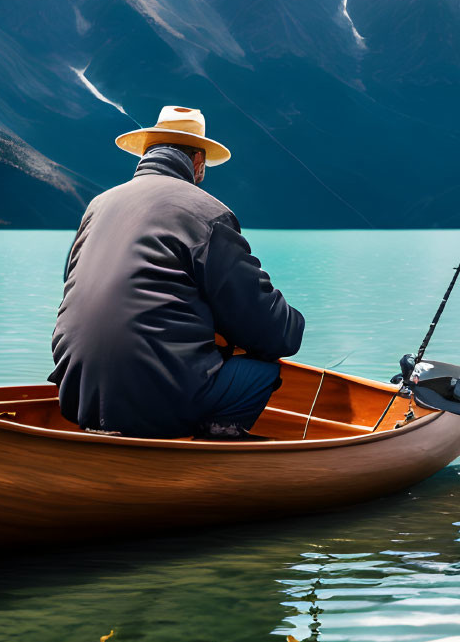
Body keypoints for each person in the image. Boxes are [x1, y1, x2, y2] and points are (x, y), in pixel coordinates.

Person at [50, 106, 305, 441]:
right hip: (160, 403)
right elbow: (275, 332)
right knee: (261, 371)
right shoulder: (207, 212)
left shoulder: (97, 206)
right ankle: (205, 458)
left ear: (147, 154)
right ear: (197, 162)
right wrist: (290, 322)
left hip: (77, 395)